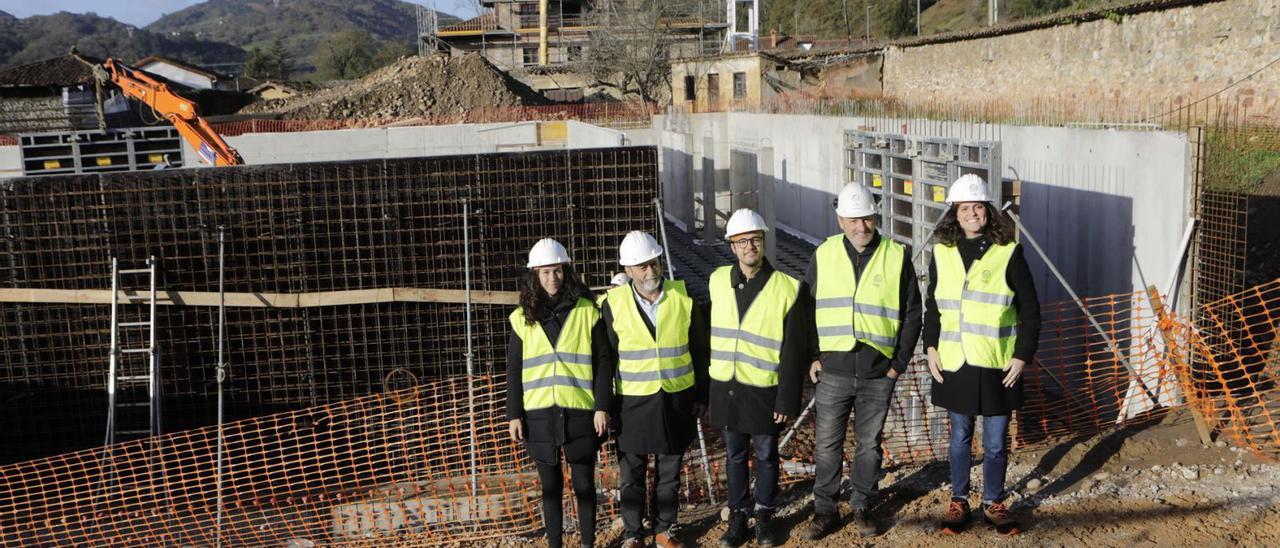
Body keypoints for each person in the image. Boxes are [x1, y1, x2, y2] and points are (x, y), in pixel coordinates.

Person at [803, 183, 923, 540]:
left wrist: (897, 364)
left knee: (869, 444)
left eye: (867, 219)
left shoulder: (896, 255)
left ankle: (861, 505)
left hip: (877, 372)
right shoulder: (823, 254)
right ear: (841, 220)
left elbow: (912, 313)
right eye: (854, 220)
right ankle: (825, 510)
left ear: (876, 217)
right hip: (834, 370)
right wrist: (812, 355)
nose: (861, 227)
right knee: (826, 445)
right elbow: (806, 309)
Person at [924, 174, 1039, 536]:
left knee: (994, 441)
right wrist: (930, 347)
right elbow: (933, 308)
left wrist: (1022, 356)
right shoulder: (941, 254)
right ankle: (959, 500)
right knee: (959, 436)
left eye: (978, 207)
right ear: (954, 214)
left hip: (996, 364)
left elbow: (1031, 311)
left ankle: (993, 502)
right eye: (965, 208)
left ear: (988, 211)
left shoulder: (1009, 252)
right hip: (955, 362)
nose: (972, 213)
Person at [599, 230, 709, 548]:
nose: (650, 271)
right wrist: (605, 405)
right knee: (632, 473)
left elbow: (700, 351)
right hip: (632, 403)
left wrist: (701, 395)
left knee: (670, 471)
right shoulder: (612, 304)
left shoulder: (682, 298)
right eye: (642, 266)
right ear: (628, 271)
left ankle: (665, 529)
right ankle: (634, 533)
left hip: (676, 399)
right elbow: (606, 360)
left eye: (654, 263)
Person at [707, 209, 809, 548]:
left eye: (756, 239)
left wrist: (786, 397)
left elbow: (794, 351)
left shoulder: (788, 288)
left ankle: (764, 514)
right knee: (734, 455)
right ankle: (738, 516)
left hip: (763, 390)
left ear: (763, 242)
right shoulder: (717, 280)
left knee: (766, 455)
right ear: (732, 247)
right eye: (743, 241)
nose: (750, 246)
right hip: (726, 388)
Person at [506, 238, 612, 548]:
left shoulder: (587, 311)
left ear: (567, 271)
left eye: (557, 271)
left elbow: (603, 362)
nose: (552, 279)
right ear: (534, 277)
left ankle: (588, 544)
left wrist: (602, 407)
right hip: (539, 414)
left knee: (584, 486)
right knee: (549, 488)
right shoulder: (521, 318)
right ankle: (555, 543)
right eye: (545, 273)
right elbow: (514, 370)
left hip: (580, 411)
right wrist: (514, 414)